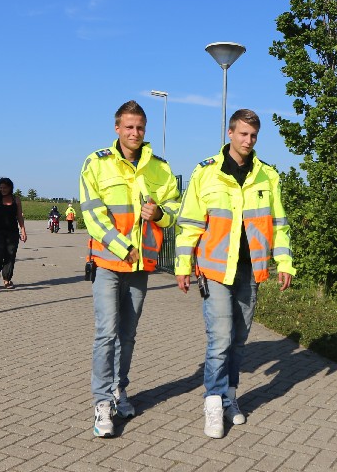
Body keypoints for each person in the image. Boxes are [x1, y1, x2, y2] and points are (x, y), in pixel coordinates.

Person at [176, 108, 294, 439]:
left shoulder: (267, 176)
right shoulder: (206, 172)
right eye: (243, 133)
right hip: (215, 270)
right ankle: (213, 403)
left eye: (254, 135)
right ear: (230, 133)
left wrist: (284, 262)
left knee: (239, 340)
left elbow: (279, 225)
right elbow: (190, 224)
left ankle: (229, 397)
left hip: (251, 269)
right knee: (220, 338)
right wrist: (183, 265)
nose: (248, 140)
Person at [80, 100, 180, 438]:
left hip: (141, 266)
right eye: (128, 127)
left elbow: (176, 207)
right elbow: (92, 214)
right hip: (108, 262)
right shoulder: (96, 163)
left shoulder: (160, 168)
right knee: (106, 333)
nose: (134, 133)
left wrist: (161, 214)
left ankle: (119, 389)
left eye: (139, 127)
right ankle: (101, 402)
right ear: (117, 128)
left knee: (128, 334)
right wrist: (123, 247)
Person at [0, 177, 27, 288]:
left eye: (5, 188)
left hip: (12, 232)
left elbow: (19, 216)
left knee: (10, 255)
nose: (2, 189)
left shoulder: (16, 200)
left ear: (10, 188)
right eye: (1, 187)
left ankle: (7, 279)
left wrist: (23, 231)